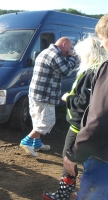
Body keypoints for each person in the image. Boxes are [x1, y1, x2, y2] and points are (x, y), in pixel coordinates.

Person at [42, 36, 108, 200]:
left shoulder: (90, 73)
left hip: (80, 127)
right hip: (85, 128)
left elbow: (84, 103)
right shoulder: (98, 70)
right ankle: (79, 192)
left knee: (69, 160)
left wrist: (68, 99)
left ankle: (63, 195)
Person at [63, 14, 108, 200]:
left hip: (102, 158)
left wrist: (75, 154)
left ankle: (65, 192)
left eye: (104, 38)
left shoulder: (101, 70)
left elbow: (98, 118)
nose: (103, 44)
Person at [20, 37, 79, 157]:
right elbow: (66, 71)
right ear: (64, 44)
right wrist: (72, 58)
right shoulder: (54, 54)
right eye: (70, 47)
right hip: (44, 95)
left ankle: (37, 144)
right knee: (47, 121)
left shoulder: (47, 52)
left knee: (37, 120)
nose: (70, 50)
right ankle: (26, 141)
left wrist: (67, 57)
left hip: (37, 93)